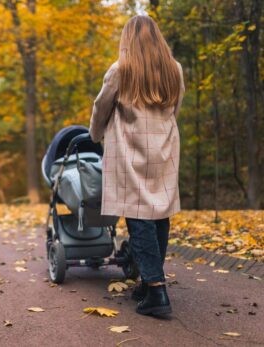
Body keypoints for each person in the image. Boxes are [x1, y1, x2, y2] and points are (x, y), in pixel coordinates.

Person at [89, 15, 185, 317]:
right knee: (159, 213)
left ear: (127, 40)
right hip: (164, 148)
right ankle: (148, 281)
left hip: (131, 149)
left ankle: (156, 289)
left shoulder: (121, 71)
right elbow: (176, 108)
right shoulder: (175, 69)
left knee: (138, 215)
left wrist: (94, 135)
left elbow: (101, 107)